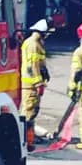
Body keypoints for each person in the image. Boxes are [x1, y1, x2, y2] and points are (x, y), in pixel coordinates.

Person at [19, 19, 51, 149]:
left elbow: (38, 64)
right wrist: (38, 83)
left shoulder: (35, 43)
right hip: (31, 85)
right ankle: (25, 141)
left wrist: (45, 72)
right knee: (28, 113)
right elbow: (32, 66)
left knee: (31, 112)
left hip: (32, 84)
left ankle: (29, 139)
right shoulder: (33, 44)